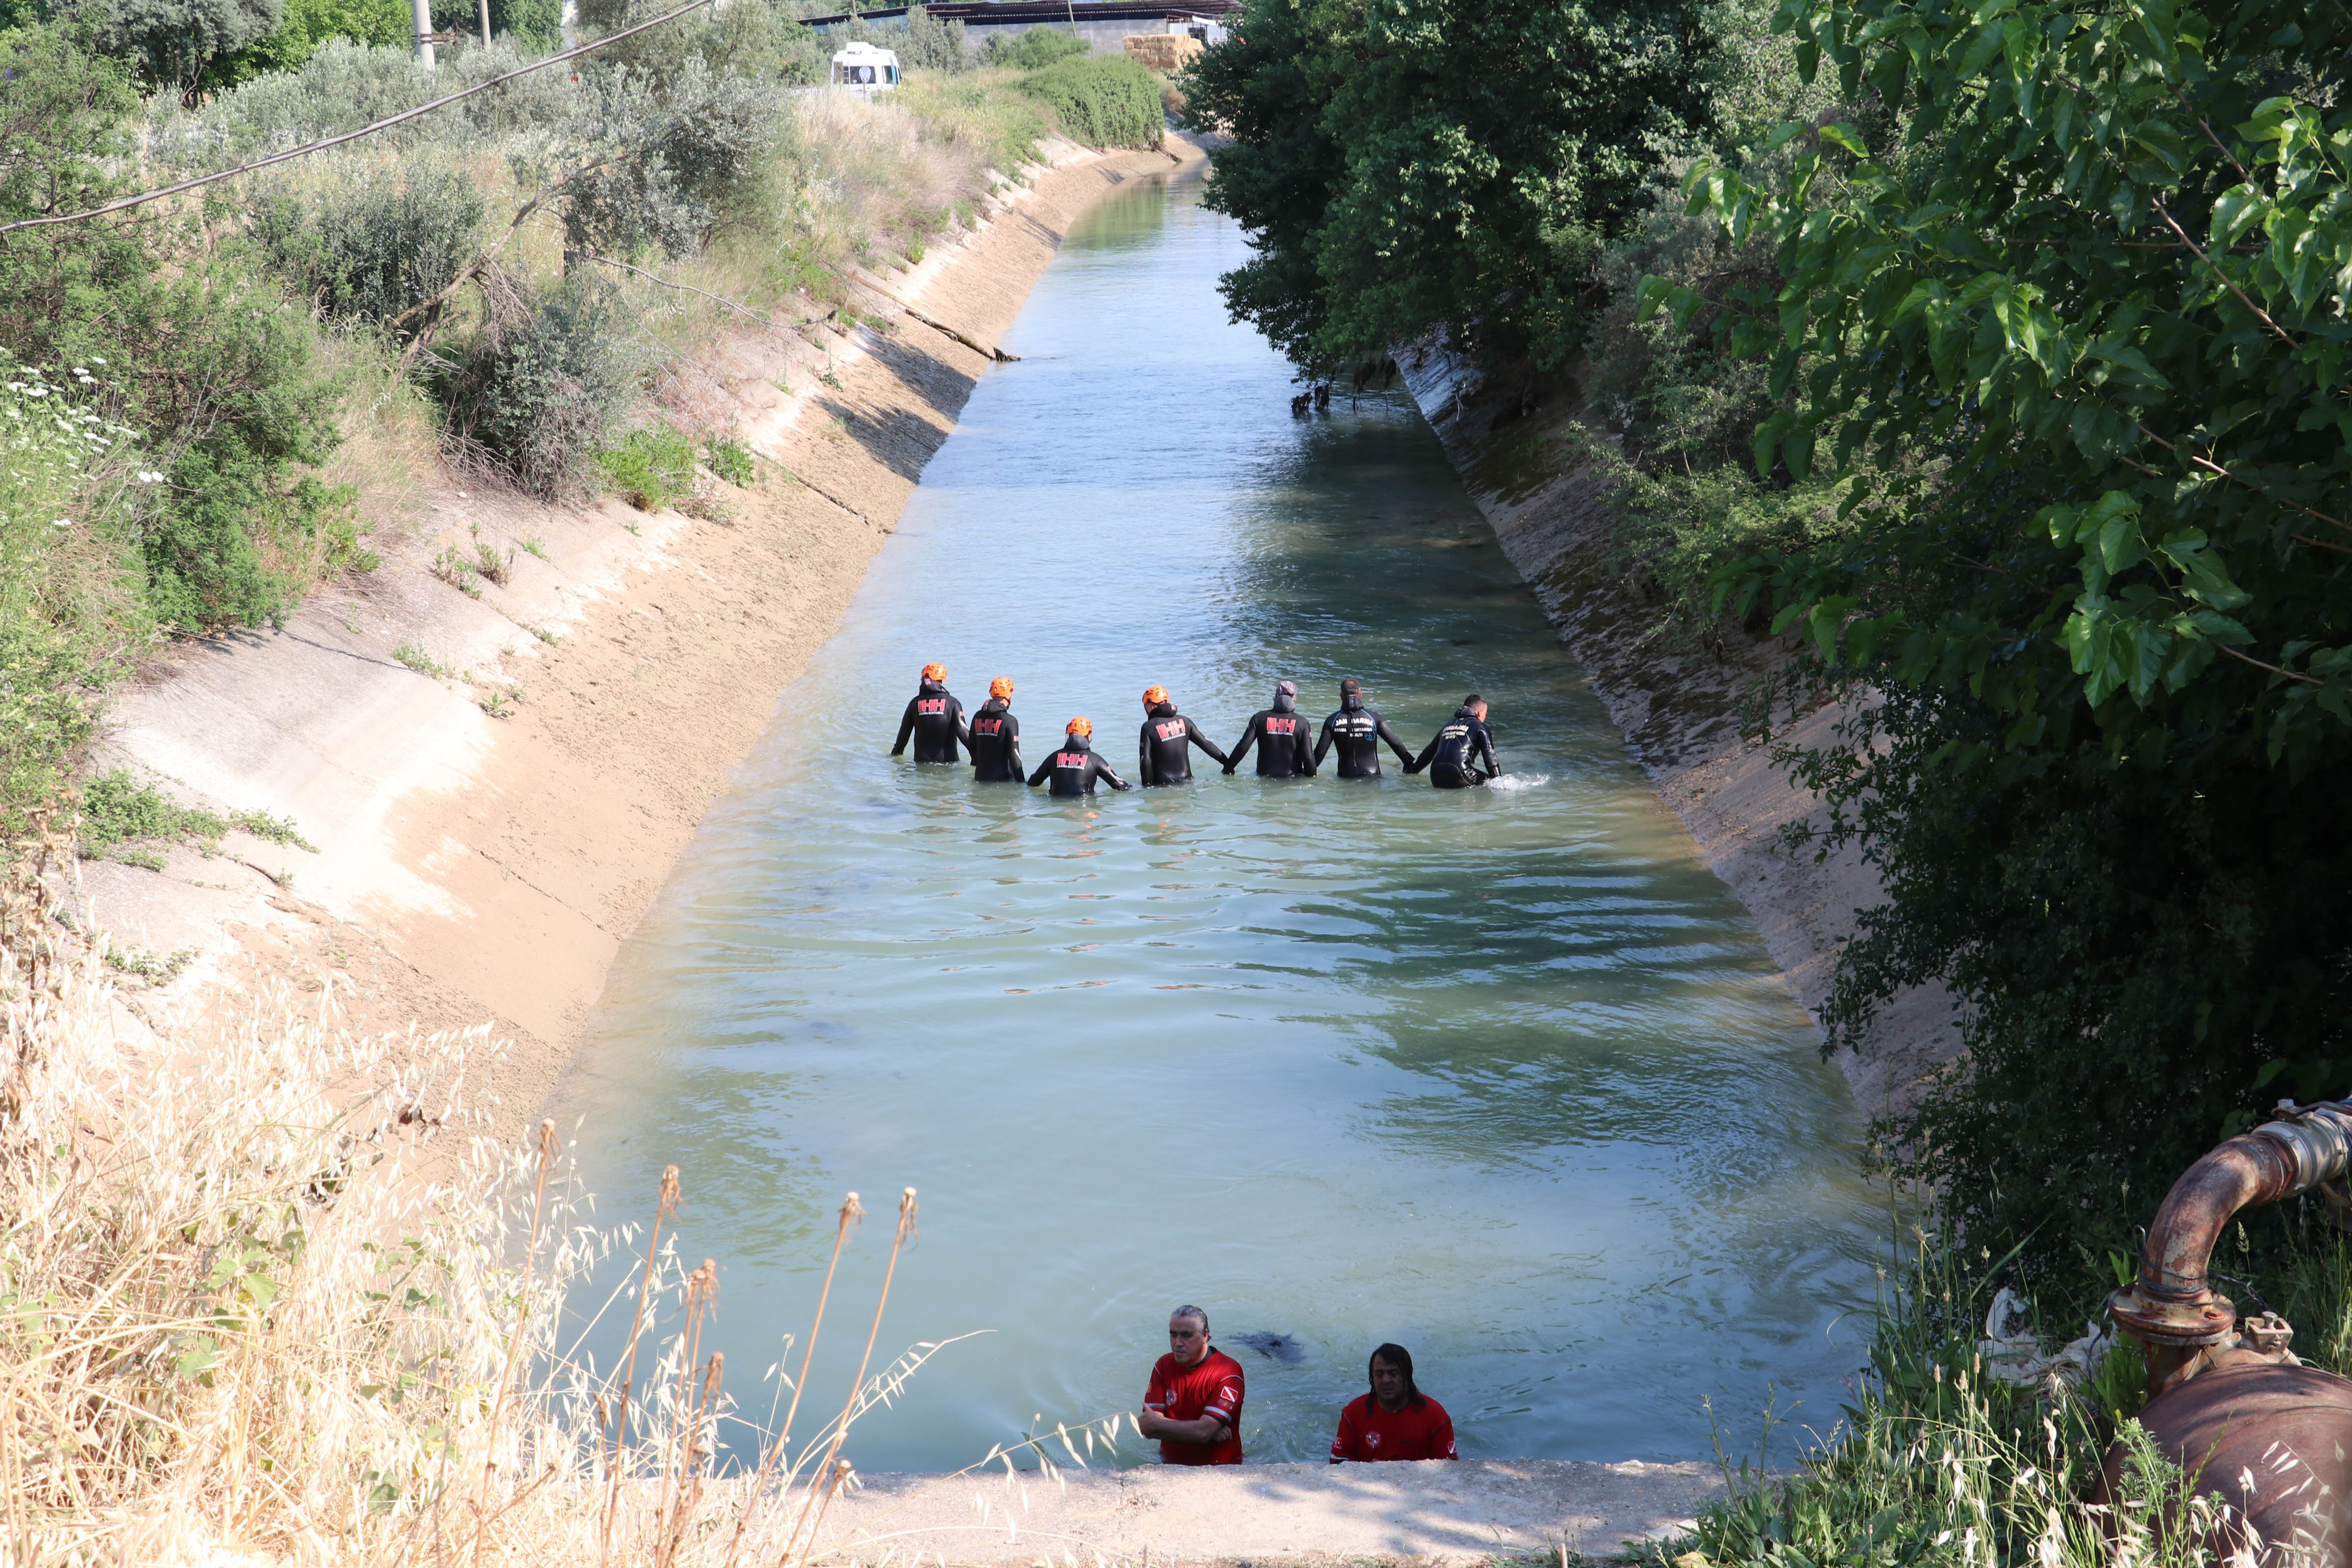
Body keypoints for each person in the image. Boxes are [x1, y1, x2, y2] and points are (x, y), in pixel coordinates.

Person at [1142, 1305, 1245, 1465]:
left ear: (1205, 1336)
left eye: (1186, 1336)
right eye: (1173, 1335)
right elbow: (1147, 1428)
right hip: (1169, 1466)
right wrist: (1201, 1430)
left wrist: (1161, 1425)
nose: (1178, 1343)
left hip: (1221, 1470)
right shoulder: (1163, 1366)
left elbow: (1203, 1432)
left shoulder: (1228, 1373)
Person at [1329, 1343, 1457, 1463]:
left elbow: (1448, 1472)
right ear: (1371, 1378)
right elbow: (1338, 1464)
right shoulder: (1353, 1414)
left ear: (1407, 1377)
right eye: (1379, 1374)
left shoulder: (1436, 1417)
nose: (1386, 1380)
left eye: (1393, 1373)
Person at [1314, 679, 1417, 780]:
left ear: (1341, 697)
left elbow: (1320, 753)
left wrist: (1307, 772)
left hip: (1345, 779)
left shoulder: (1332, 720)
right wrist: (1409, 764)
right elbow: (1395, 743)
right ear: (1360, 695)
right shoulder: (1374, 717)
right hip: (1373, 778)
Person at [1137, 686, 1231, 786]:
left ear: (1151, 706)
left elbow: (1145, 760)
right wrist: (1228, 764)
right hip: (1188, 781)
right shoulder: (1185, 721)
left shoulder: (1148, 727)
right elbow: (1206, 744)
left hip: (1164, 787)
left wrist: (1146, 786)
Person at [1225, 680, 1317, 779]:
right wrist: (1312, 776)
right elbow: (1308, 757)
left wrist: (1228, 768)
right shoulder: (1302, 723)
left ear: (1276, 697)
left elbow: (1243, 747)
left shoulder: (1259, 718)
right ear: (1294, 700)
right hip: (1292, 781)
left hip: (1264, 777)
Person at [1408, 695, 1504, 787]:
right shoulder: (1480, 727)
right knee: (1489, 783)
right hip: (1460, 773)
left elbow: (1429, 752)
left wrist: (1412, 770)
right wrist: (1499, 781)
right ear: (1480, 713)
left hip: (1435, 775)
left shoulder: (1447, 726)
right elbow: (1490, 756)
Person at [1027, 717, 1132, 795]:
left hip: (1057, 808)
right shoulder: (1095, 760)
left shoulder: (1054, 757)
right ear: (1088, 736)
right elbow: (1120, 785)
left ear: (1069, 735)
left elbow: (1033, 783)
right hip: (1084, 809)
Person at [890, 662, 970, 763]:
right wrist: (977, 756)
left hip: (921, 766)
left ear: (924, 680)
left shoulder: (914, 704)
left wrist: (895, 754)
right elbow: (963, 732)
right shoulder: (953, 703)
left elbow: (903, 736)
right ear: (941, 680)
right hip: (949, 766)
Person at [968, 676, 1024, 783]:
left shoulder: (978, 716)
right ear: (1010, 695)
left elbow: (971, 743)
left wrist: (976, 761)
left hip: (980, 777)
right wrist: (1021, 782)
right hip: (1003, 780)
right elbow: (1014, 753)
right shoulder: (1010, 721)